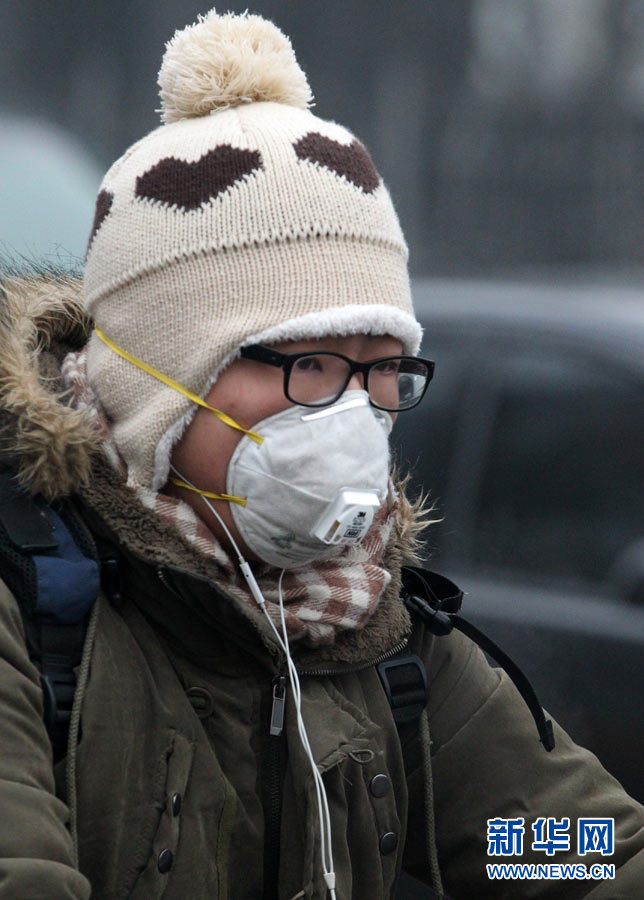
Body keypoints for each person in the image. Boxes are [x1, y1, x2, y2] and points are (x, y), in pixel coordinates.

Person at [0, 10, 643, 900]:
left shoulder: (374, 626)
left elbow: (567, 854)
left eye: (381, 371)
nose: (350, 415)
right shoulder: (31, 600)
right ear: (160, 379)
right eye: (308, 364)